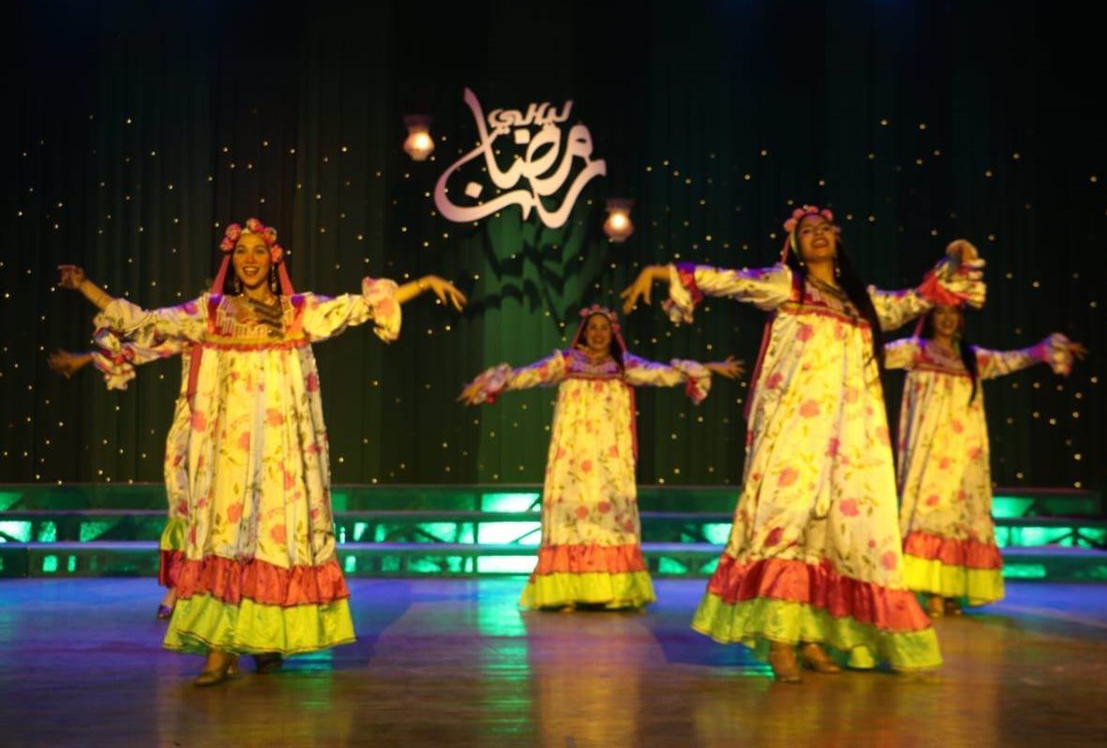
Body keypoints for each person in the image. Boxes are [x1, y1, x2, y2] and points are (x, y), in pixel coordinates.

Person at [57, 217, 467, 685]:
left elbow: (359, 308)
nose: (249, 260)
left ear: (273, 260)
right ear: (231, 261)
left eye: (258, 251)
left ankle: (268, 638)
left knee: (275, 540)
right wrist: (85, 286)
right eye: (241, 252)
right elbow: (145, 322)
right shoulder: (210, 313)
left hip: (280, 452)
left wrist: (424, 283)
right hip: (228, 454)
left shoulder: (297, 311)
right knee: (225, 540)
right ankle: (219, 651)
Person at [620, 205, 985, 680]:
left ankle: (814, 638)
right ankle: (781, 641)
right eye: (807, 231)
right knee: (785, 521)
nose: (818, 234)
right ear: (794, 244)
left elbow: (915, 300)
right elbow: (729, 280)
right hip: (796, 426)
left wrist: (952, 262)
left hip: (853, 434)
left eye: (825, 229)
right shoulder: (786, 284)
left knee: (839, 532)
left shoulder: (862, 302)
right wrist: (661, 272)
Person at [460, 304, 743, 611]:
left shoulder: (624, 366)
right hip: (573, 455)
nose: (598, 333)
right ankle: (565, 591)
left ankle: (614, 591)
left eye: (603, 328)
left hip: (609, 457)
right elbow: (525, 375)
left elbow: (663, 373)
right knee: (571, 516)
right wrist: (486, 384)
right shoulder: (566, 362)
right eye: (592, 328)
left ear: (612, 333)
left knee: (611, 517)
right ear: (583, 332)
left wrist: (709, 368)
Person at [885, 307, 1085, 616]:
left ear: (961, 320)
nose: (947, 319)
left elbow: (1013, 359)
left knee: (962, 520)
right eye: (941, 313)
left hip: (966, 453)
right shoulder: (915, 350)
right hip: (930, 451)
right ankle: (932, 590)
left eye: (953, 314)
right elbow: (874, 354)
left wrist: (1049, 349)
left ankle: (952, 590)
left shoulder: (972, 358)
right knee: (930, 515)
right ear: (930, 318)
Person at [48, 335, 190, 620]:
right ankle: (180, 586)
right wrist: (90, 357)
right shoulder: (197, 325)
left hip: (237, 424)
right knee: (183, 505)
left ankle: (225, 592)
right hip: (192, 425)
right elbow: (144, 348)